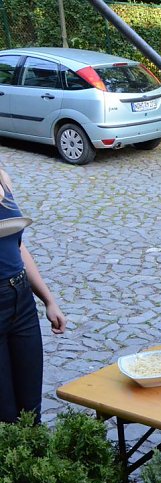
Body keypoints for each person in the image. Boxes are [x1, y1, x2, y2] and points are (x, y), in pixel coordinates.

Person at [0, 168, 66, 423]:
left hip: (21, 300)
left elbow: (17, 246)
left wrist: (48, 300)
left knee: (31, 410)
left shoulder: (3, 177)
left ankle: (35, 461)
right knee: (5, 415)